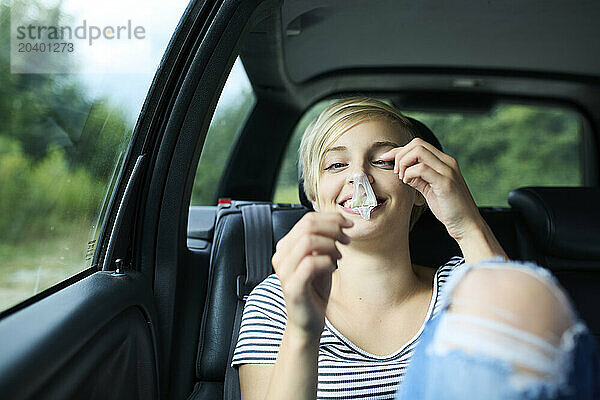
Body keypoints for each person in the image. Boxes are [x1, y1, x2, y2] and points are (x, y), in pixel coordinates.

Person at [231, 97, 599, 399]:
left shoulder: (465, 284)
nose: (358, 176)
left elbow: (519, 354)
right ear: (314, 196)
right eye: (337, 164)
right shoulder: (279, 299)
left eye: (383, 161)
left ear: (418, 187)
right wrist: (302, 330)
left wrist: (466, 222)